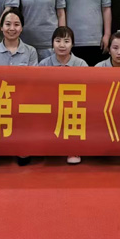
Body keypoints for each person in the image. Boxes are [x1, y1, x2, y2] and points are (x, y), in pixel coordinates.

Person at [38, 25, 87, 165]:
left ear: (73, 44)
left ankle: (73, 149)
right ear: (52, 43)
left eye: (66, 41)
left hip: (73, 106)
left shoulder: (81, 64)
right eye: (58, 41)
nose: (62, 45)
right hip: (50, 104)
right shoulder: (44, 64)